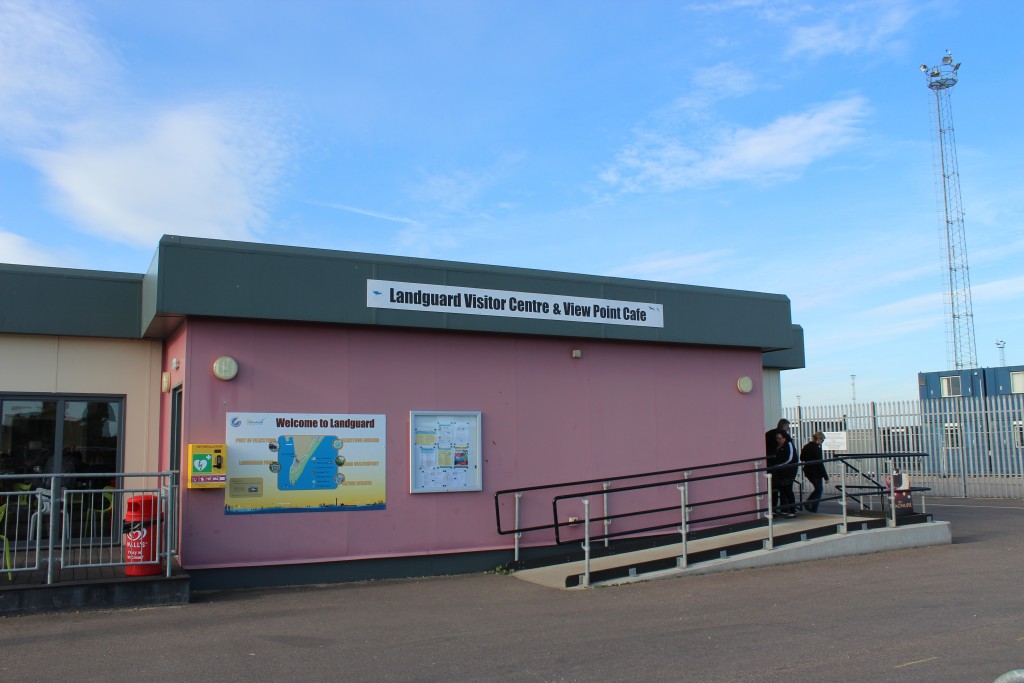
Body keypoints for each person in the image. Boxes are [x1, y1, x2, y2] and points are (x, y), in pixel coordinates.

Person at [765, 419, 792, 514]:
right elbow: (790, 454)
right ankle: (784, 508)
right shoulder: (785, 437)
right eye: (787, 427)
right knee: (785, 489)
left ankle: (773, 509)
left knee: (773, 489)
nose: (788, 429)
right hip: (780, 466)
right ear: (784, 427)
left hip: (769, 464)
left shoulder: (768, 434)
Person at [771, 431, 799, 517]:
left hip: (787, 472)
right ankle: (774, 509)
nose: (778, 440)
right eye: (777, 438)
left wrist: (778, 465)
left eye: (780, 438)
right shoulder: (778, 446)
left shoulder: (789, 445)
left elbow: (790, 458)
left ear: (785, 438)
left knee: (787, 491)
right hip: (778, 472)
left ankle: (792, 510)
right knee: (775, 491)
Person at [800, 432, 828, 513]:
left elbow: (802, 457)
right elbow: (820, 464)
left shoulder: (806, 446)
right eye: (822, 440)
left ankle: (810, 505)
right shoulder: (817, 449)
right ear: (819, 439)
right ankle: (812, 507)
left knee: (818, 489)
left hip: (808, 471)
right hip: (816, 472)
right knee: (819, 490)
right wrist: (826, 476)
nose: (822, 442)